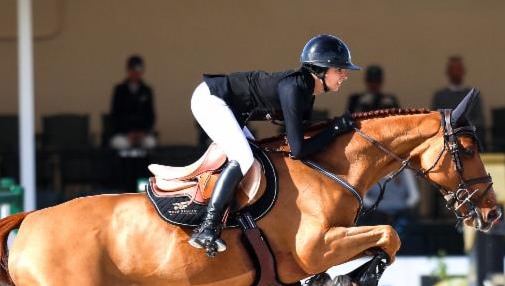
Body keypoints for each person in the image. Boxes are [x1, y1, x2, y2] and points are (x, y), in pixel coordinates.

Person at [188, 34, 360, 256]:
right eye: (339, 70)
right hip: (210, 99)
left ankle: (232, 218)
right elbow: (298, 150)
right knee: (243, 157)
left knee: (255, 157)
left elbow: (300, 136)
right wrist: (335, 130)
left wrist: (333, 130)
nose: (344, 75)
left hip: (230, 108)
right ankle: (207, 227)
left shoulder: (306, 91)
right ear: (320, 69)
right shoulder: (296, 88)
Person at [109, 54, 157, 152]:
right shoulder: (119, 90)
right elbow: (115, 114)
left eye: (138, 71)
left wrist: (143, 132)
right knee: (119, 144)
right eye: (133, 70)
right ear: (128, 71)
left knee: (150, 143)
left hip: (142, 134)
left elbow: (150, 115)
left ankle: (144, 167)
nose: (136, 73)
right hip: (124, 134)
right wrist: (127, 133)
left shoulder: (146, 90)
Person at [432, 56, 485, 139]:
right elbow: (435, 120)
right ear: (448, 72)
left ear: (463, 71)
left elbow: (480, 121)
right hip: (446, 140)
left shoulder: (473, 95)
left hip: (469, 138)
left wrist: (463, 127)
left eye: (459, 69)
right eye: (453, 70)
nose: (456, 73)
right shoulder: (440, 96)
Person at [361, 168, 421, 237]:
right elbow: (364, 199)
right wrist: (379, 206)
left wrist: (400, 205)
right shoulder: (371, 172)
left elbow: (414, 197)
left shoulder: (405, 172)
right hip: (376, 216)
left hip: (399, 216)